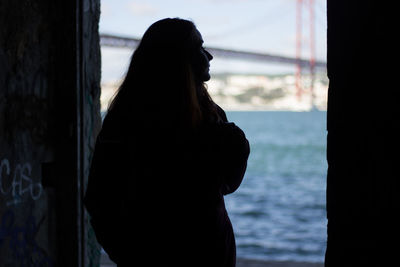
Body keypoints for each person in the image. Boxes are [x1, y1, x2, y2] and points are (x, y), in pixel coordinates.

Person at [84, 18, 250, 267]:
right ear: (176, 59)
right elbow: (227, 181)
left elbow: (100, 202)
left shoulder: (125, 119)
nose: (209, 56)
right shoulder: (209, 118)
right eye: (198, 47)